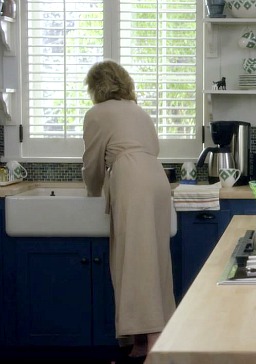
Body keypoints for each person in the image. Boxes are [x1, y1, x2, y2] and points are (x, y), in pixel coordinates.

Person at [82, 60, 176, 360]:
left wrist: (92, 190)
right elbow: (152, 149)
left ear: (95, 86)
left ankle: (152, 343)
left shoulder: (97, 114)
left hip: (131, 179)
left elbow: (93, 160)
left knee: (135, 263)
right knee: (154, 259)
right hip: (155, 178)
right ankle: (139, 341)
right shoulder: (138, 111)